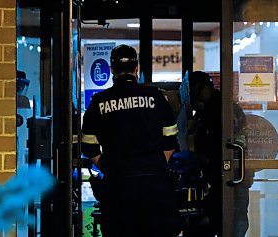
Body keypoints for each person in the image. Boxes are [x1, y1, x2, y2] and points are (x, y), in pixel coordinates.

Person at [81, 44, 181, 237]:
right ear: (137, 69)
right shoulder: (156, 97)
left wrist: (108, 166)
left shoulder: (99, 101)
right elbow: (171, 139)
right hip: (155, 188)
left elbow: (88, 145)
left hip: (118, 188)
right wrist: (155, 164)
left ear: (111, 70)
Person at [187, 71, 252, 237]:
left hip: (229, 177)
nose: (193, 95)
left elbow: (217, 145)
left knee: (231, 224)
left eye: (194, 89)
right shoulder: (212, 109)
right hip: (225, 178)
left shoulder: (221, 110)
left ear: (205, 88)